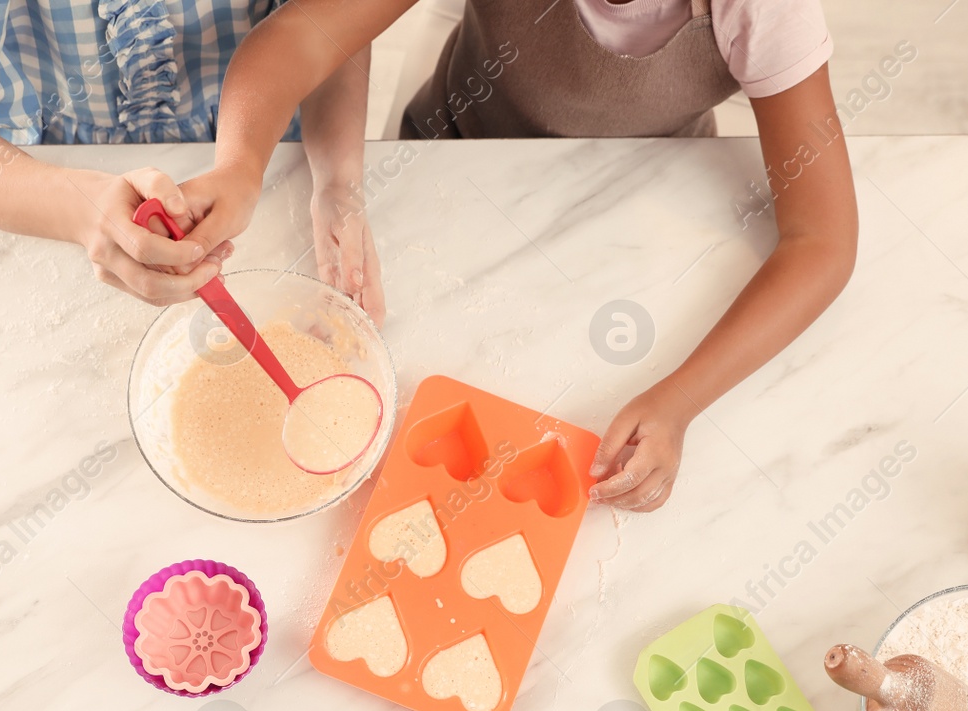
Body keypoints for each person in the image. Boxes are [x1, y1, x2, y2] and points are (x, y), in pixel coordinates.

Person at [180, 0, 857, 511]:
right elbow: (301, 33)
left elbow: (821, 240)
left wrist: (678, 401)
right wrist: (241, 167)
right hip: (450, 162)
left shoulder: (767, 10)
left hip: (632, 213)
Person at [0, 0, 382, 321]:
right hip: (34, 169)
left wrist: (333, 179)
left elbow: (333, 26)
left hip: (274, 147)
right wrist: (81, 211)